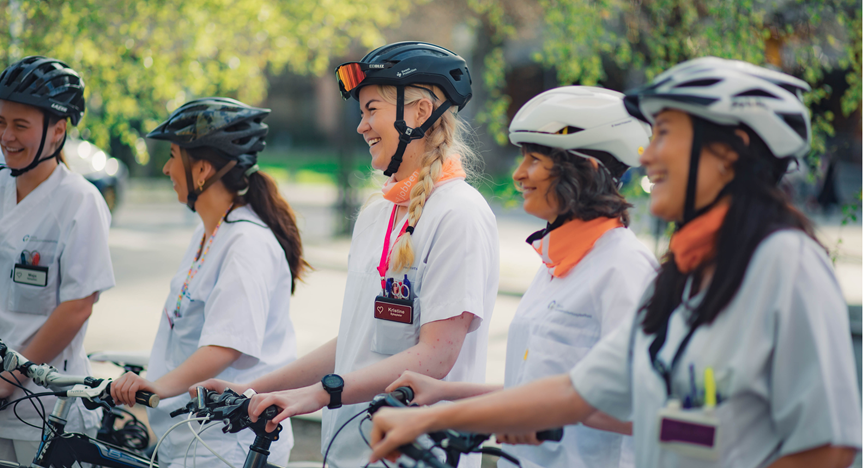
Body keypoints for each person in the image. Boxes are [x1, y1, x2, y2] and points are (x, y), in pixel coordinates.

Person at [368, 57, 862, 468]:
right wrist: (433, 415)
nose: (648, 158)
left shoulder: (784, 262)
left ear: (730, 152)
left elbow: (829, 446)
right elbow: (579, 392)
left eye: (666, 134)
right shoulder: (686, 277)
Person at [196, 41, 499, 468]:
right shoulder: (378, 212)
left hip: (415, 458)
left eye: (371, 109)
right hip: (346, 452)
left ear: (418, 112)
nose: (362, 126)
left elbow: (435, 357)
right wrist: (251, 390)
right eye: (362, 113)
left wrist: (317, 395)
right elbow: (357, 340)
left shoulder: (459, 214)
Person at [385, 86, 658, 468]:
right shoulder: (556, 265)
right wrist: (444, 391)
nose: (518, 174)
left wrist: (543, 415)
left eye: (534, 160)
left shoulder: (624, 269)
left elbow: (644, 407)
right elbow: (537, 387)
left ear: (585, 171)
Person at [109, 97, 308, 467]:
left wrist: (158, 386)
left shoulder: (246, 243)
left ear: (201, 169)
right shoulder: (213, 232)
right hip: (190, 437)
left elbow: (225, 346)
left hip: (228, 445)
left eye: (172, 155)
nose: (167, 168)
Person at [0, 56, 114, 463]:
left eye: (20, 125)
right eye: (1, 122)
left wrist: (9, 379)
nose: (7, 136)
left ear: (58, 130)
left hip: (44, 409)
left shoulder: (80, 202)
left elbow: (77, 306)